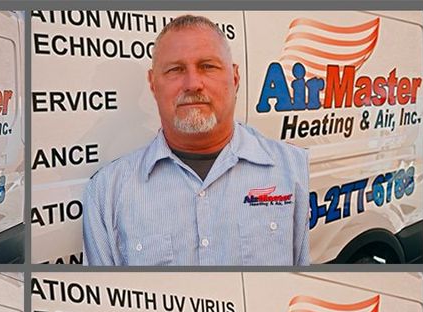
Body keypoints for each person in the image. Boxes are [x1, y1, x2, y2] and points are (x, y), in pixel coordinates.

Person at [82, 15, 309, 266]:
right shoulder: (107, 192)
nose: (192, 84)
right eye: (175, 70)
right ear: (153, 83)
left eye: (208, 66)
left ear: (234, 78)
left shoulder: (294, 169)